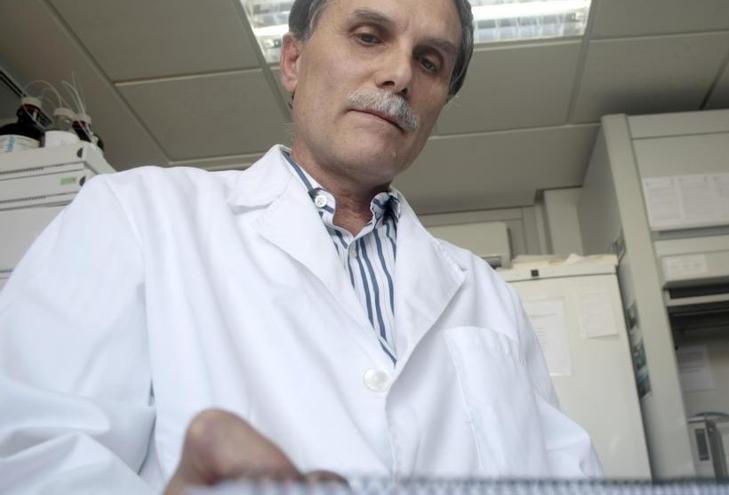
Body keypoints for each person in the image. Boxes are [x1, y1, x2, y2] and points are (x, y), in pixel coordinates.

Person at [0, 0, 602, 493]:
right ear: (292, 60)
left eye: (431, 61)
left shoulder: (486, 295)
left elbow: (567, 475)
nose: (399, 74)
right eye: (369, 36)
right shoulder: (137, 217)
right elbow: (33, 452)